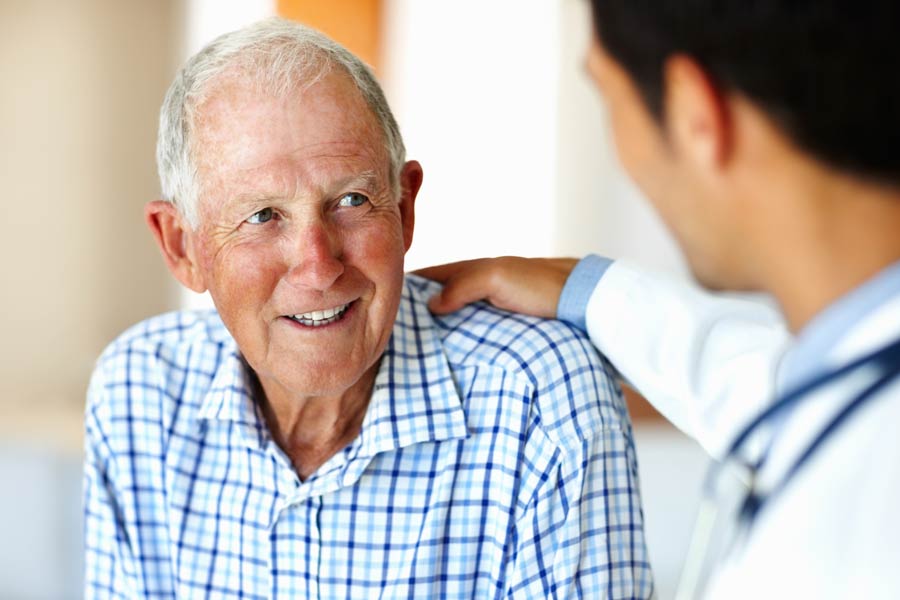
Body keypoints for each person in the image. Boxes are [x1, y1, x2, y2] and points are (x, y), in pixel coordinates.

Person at [82, 18, 654, 599]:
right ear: (182, 246)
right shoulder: (138, 392)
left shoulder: (542, 397)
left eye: (351, 200)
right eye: (262, 216)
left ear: (404, 209)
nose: (318, 264)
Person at [419, 1, 900, 598]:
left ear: (696, 112)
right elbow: (780, 386)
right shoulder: (859, 379)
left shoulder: (857, 540)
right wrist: (594, 293)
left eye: (607, 97)